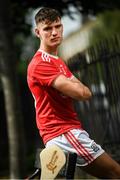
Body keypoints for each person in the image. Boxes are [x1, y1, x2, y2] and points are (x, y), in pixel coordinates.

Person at [27, 7, 120, 178]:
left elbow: (86, 91)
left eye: (58, 26)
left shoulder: (58, 62)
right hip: (64, 133)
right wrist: (73, 84)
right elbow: (82, 93)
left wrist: (74, 85)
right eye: (47, 29)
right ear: (37, 32)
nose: (54, 32)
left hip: (64, 133)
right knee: (115, 172)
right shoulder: (41, 63)